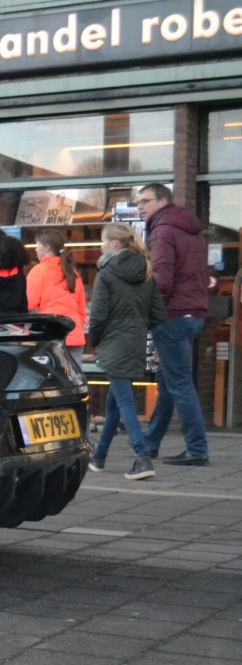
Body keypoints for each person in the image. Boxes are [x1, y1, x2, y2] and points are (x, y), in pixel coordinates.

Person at [136, 183, 211, 466]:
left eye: (146, 201)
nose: (141, 206)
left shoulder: (163, 230)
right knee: (168, 382)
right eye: (139, 202)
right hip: (193, 314)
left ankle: (197, 449)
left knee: (180, 384)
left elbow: (162, 281)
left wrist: (143, 305)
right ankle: (150, 443)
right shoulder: (190, 230)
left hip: (172, 315)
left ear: (163, 201)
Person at [87, 223, 167, 481]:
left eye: (102, 241)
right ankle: (99, 457)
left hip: (112, 341)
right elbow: (158, 314)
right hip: (134, 342)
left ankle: (142, 458)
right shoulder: (146, 273)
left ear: (113, 245)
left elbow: (97, 316)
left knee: (124, 401)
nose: (100, 246)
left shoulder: (106, 274)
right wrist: (137, 327)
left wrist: (96, 342)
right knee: (114, 404)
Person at [26, 229, 87, 363]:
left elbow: (29, 303)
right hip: (74, 335)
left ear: (47, 247)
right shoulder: (72, 272)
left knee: (52, 380)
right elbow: (81, 309)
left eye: (38, 246)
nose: (35, 250)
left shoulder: (39, 271)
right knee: (75, 380)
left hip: (51, 335)